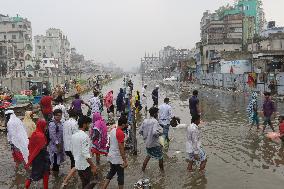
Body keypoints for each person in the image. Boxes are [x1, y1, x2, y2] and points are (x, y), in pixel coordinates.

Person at [102, 116, 128, 189]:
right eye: (126, 124)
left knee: (111, 172)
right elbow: (121, 148)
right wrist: (125, 160)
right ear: (123, 125)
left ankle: (103, 187)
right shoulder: (120, 133)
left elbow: (110, 143)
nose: (127, 125)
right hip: (117, 158)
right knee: (120, 176)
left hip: (111, 155)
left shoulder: (113, 130)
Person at [71, 115, 97, 189]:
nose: (89, 126)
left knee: (85, 183)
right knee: (94, 180)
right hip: (85, 165)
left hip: (78, 164)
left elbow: (72, 149)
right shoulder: (84, 136)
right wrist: (93, 166)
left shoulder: (74, 136)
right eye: (88, 124)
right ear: (84, 124)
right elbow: (86, 154)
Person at [25, 119, 50, 189]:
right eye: (45, 126)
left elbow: (29, 146)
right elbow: (41, 147)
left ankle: (26, 185)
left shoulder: (34, 133)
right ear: (42, 126)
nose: (46, 128)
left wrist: (30, 159)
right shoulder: (41, 136)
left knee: (35, 173)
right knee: (45, 173)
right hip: (41, 157)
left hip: (36, 158)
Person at [139, 107, 164, 172]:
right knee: (160, 157)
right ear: (155, 114)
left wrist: (146, 137)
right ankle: (162, 171)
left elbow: (140, 131)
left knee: (149, 155)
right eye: (157, 113)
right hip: (154, 143)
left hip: (147, 143)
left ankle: (143, 170)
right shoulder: (155, 121)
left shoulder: (145, 120)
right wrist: (160, 133)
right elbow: (154, 132)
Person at [61, 109, 79, 188]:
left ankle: (74, 175)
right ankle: (67, 180)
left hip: (66, 146)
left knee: (73, 160)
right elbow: (76, 136)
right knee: (76, 162)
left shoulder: (65, 122)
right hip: (72, 147)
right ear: (76, 116)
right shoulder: (75, 123)